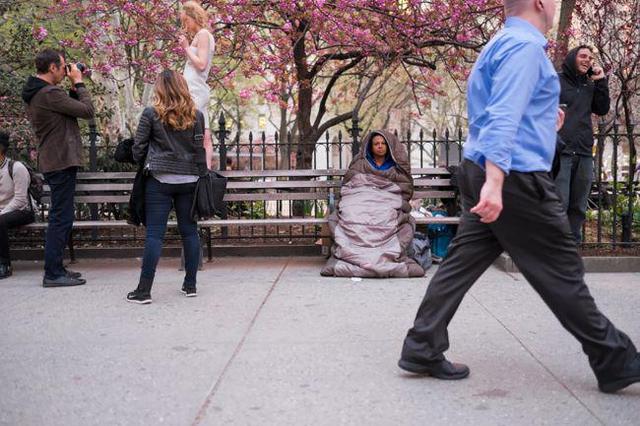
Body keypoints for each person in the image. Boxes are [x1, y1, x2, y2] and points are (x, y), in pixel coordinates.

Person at [398, 0, 640, 394]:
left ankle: (422, 345)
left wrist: (546, 121)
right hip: (513, 177)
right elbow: (504, 114)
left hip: (488, 170)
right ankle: (616, 359)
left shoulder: (498, 44)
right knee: (561, 267)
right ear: (540, 5)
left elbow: (497, 109)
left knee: (461, 262)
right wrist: (497, 182)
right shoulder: (526, 48)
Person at [126, 70, 206, 305]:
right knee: (190, 232)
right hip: (189, 180)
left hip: (159, 180)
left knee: (154, 235)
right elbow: (199, 149)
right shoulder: (197, 116)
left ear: (160, 89)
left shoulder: (151, 114)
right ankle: (190, 285)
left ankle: (144, 290)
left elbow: (139, 149)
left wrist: (139, 157)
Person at [22, 48, 94, 287]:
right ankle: (53, 273)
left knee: (60, 216)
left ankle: (57, 268)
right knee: (60, 218)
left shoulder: (43, 93)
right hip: (61, 161)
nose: (66, 71)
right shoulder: (49, 93)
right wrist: (80, 83)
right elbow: (87, 111)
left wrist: (73, 89)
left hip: (55, 160)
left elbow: (67, 112)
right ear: (52, 67)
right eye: (63, 67)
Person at [556, 45, 610, 241]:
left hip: (584, 152)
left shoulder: (590, 84)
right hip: (561, 152)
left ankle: (572, 246)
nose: (587, 60)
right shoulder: (557, 80)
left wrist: (601, 81)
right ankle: (555, 244)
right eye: (583, 56)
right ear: (573, 58)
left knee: (578, 205)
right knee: (559, 201)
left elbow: (602, 109)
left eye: (590, 57)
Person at [179, 0, 214, 170]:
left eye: (186, 20)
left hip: (195, 90)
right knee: (205, 133)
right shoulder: (200, 36)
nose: (185, 24)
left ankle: (194, 167)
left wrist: (186, 48)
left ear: (194, 16)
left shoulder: (203, 35)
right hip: (193, 88)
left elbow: (201, 64)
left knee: (188, 128)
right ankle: (205, 170)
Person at [0, 131, 36, 278]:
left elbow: (20, 199)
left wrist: (1, 212)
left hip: (22, 210)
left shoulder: (16, 168)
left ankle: (4, 264)